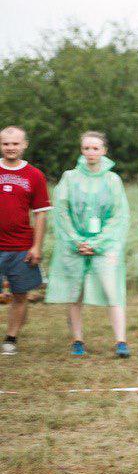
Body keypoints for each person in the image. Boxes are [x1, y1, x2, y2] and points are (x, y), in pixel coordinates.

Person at [46, 132, 131, 357]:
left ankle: (121, 341)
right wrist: (76, 240)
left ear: (104, 151)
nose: (90, 153)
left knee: (112, 290)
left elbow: (119, 215)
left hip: (105, 245)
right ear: (81, 150)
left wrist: (98, 242)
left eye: (95, 149)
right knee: (76, 293)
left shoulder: (113, 180)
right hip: (74, 245)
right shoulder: (70, 178)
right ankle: (77, 340)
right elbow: (61, 211)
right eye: (86, 148)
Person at [0, 127, 51, 356]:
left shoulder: (35, 175)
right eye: (6, 144)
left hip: (21, 246)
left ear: (24, 145)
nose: (11, 148)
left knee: (20, 295)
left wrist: (37, 246)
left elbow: (40, 214)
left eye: (15, 143)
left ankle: (11, 338)